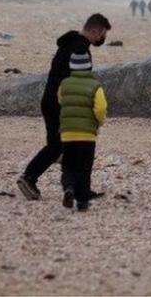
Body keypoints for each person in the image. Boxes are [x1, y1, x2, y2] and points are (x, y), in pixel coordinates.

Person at [17, 13, 111, 201]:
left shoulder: (69, 43)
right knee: (61, 146)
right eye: (102, 34)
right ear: (95, 30)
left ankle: (75, 188)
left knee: (63, 146)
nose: (102, 39)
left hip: (52, 100)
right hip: (60, 103)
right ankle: (29, 177)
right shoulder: (80, 49)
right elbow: (80, 84)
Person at [58, 52, 107, 212]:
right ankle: (82, 202)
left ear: (71, 66)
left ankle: (69, 188)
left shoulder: (64, 84)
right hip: (87, 135)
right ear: (89, 66)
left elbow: (61, 100)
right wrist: (99, 122)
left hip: (67, 134)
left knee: (68, 166)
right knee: (84, 169)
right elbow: (100, 108)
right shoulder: (95, 86)